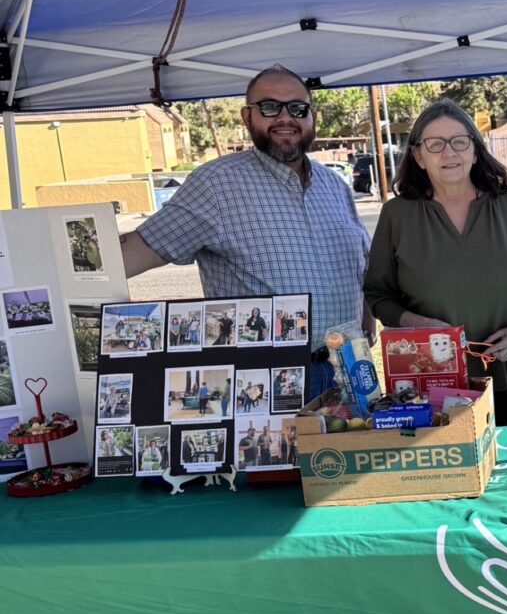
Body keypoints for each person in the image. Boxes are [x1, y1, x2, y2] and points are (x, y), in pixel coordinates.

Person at [119, 63, 375, 398]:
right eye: (270, 107)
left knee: (356, 451)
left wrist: (367, 317)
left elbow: (363, 264)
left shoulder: (334, 185)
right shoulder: (215, 184)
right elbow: (136, 251)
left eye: (298, 108)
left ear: (312, 117)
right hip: (269, 379)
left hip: (350, 370)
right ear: (246, 117)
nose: (285, 118)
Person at [364, 99, 507, 425]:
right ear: (418, 155)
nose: (449, 153)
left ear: (474, 149)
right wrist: (417, 323)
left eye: (459, 142)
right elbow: (377, 294)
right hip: (430, 384)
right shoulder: (397, 215)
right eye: (435, 144)